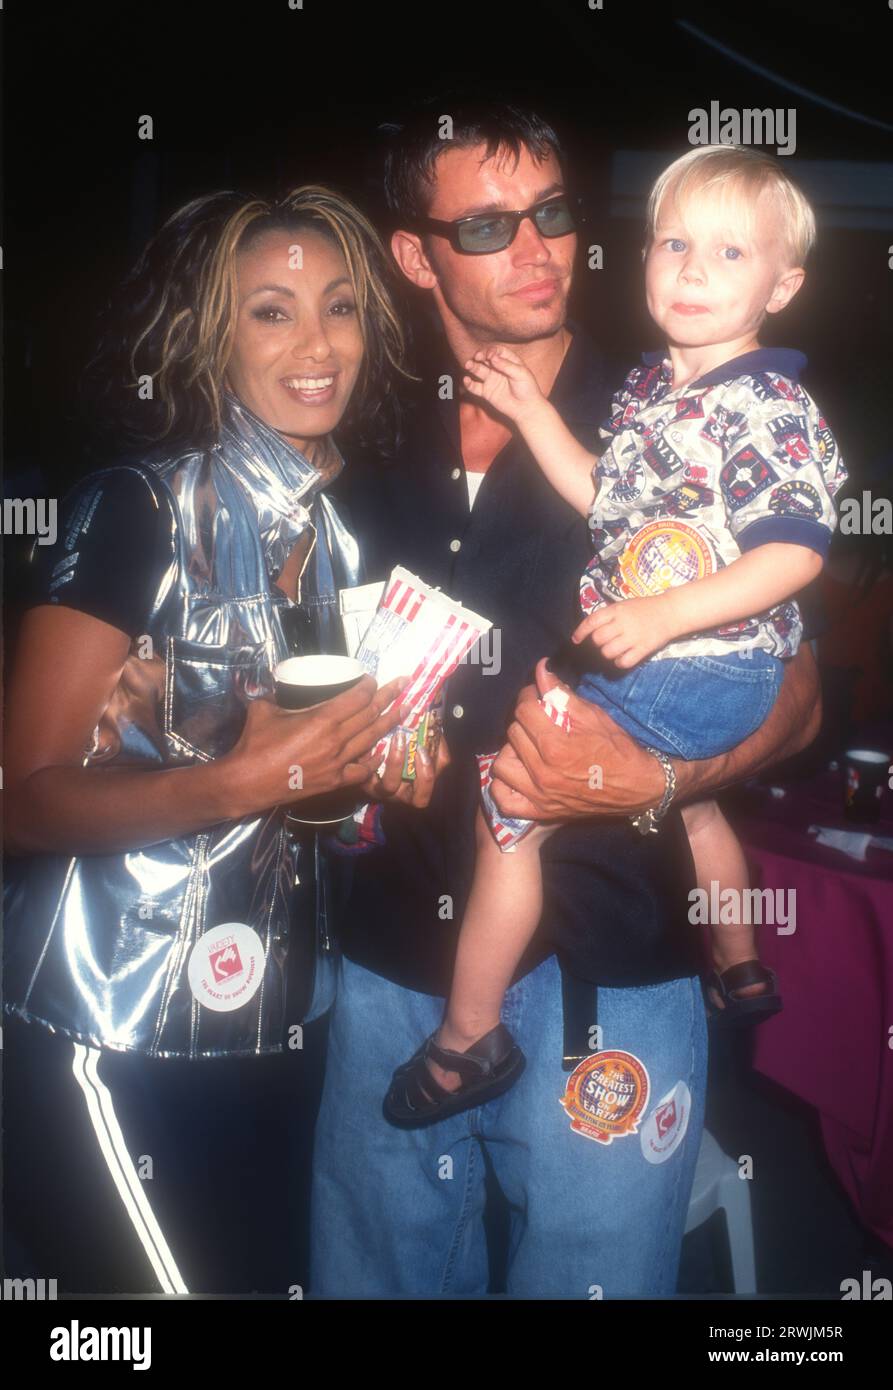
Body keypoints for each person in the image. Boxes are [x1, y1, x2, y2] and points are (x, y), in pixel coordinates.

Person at [311, 102, 822, 1297]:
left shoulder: (671, 410)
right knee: (369, 1278)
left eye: (551, 213)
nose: (538, 248)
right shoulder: (358, 432)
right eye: (487, 223)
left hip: (611, 958)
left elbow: (789, 689)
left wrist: (661, 779)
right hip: (392, 950)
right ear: (413, 254)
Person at [2, 185, 441, 1295]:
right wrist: (245, 778)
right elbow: (21, 798)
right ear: (209, 335)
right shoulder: (135, 508)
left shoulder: (348, 537)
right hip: (109, 1029)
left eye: (339, 308)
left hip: (281, 1029)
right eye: (270, 311)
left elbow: (329, 808)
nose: (315, 344)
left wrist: (388, 768)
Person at [384, 145, 847, 1123]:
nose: (689, 268)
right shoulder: (652, 393)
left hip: (701, 660)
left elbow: (798, 551)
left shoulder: (763, 404)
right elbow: (602, 495)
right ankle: (740, 960)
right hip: (689, 673)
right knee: (696, 809)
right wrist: (526, 409)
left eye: (728, 253)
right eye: (672, 242)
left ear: (783, 283)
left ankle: (469, 1037)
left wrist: (663, 614)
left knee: (508, 803)